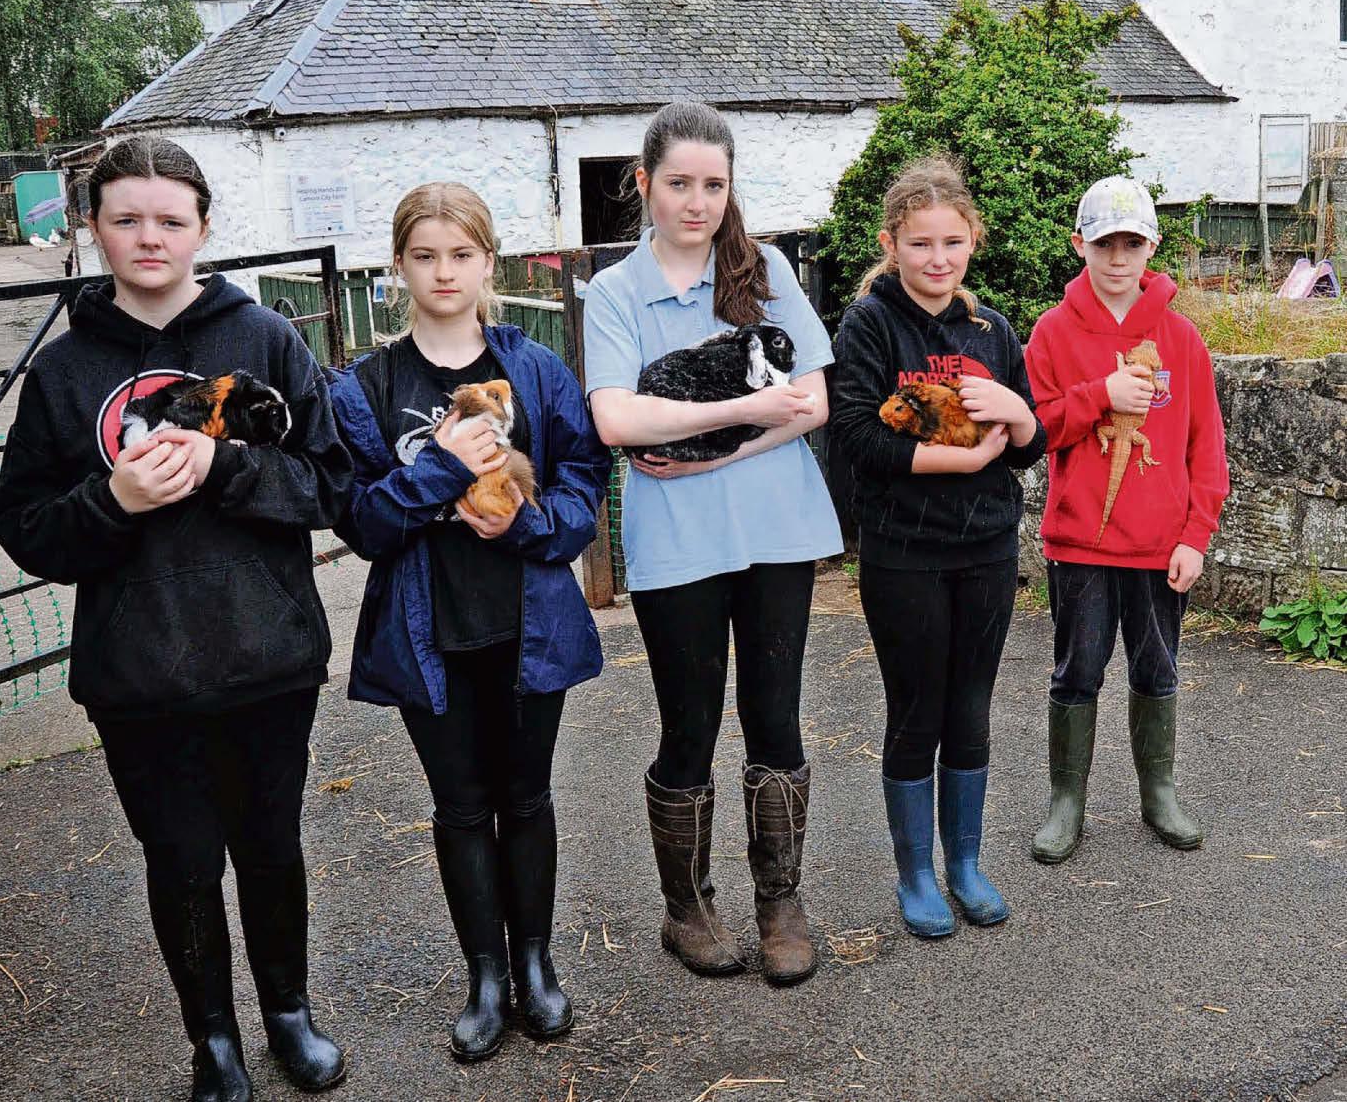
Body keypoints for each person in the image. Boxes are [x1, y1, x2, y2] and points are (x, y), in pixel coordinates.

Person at [0, 137, 353, 1101]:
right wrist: (114, 500)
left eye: (169, 219)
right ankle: (216, 1046)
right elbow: (24, 526)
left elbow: (330, 484)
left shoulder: (265, 340)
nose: (148, 237)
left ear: (202, 228)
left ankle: (288, 1015)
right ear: (93, 226)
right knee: (183, 862)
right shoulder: (65, 373)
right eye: (125, 218)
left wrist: (226, 466)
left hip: (266, 654)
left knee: (270, 846)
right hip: (139, 673)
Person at [328, 183, 609, 1062]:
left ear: (490, 262)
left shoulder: (534, 369)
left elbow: (582, 489)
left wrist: (524, 522)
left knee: (526, 796)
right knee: (459, 805)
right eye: (424, 255)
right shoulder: (365, 386)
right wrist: (442, 472)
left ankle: (536, 962)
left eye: (461, 254)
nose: (443, 272)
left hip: (526, 623)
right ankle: (485, 975)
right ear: (399, 265)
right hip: (428, 629)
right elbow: (362, 521)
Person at [582, 101, 839, 986]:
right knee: (688, 722)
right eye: (680, 184)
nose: (697, 202)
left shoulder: (765, 269)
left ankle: (780, 901)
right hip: (678, 540)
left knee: (775, 713)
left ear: (732, 190)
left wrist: (711, 447)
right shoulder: (614, 292)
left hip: (775, 525)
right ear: (644, 184)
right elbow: (617, 415)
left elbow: (813, 401)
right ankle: (687, 906)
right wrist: (742, 413)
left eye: (714, 185)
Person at [830, 154, 1045, 938]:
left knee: (972, 707)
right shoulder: (869, 323)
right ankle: (915, 873)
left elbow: (1030, 443)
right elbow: (856, 438)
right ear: (892, 243)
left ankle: (964, 862)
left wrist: (1015, 416)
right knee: (917, 709)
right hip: (905, 551)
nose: (938, 259)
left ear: (973, 240)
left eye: (952, 242)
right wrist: (969, 455)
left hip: (986, 545)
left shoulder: (992, 329)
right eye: (920, 244)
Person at [1024, 175, 1228, 863]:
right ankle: (1066, 801)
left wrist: (1195, 535)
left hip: (1159, 547)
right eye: (1105, 242)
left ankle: (1159, 791)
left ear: (1152, 246)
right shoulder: (1051, 333)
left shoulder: (1182, 339)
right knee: (1077, 672)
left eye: (1132, 242)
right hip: (1080, 544)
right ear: (1079, 244)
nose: (1118, 257)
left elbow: (1207, 448)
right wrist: (1098, 395)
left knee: (1157, 669)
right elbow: (1036, 429)